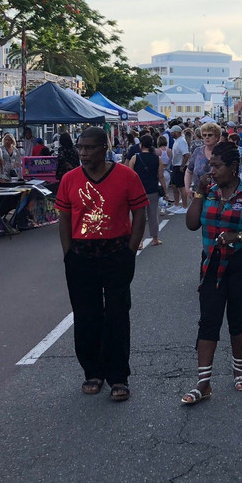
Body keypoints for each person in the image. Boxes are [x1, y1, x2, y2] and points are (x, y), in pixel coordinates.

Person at [55, 127, 148, 402]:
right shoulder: (70, 179)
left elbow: (139, 212)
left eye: (89, 148)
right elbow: (63, 217)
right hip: (81, 255)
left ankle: (118, 375)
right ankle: (92, 371)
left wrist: (131, 250)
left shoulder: (126, 176)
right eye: (80, 147)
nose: (83, 153)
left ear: (103, 148)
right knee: (86, 315)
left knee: (118, 314)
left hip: (116, 253)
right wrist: (68, 253)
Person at [182, 142, 242, 404]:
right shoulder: (207, 191)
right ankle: (203, 383)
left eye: (217, 166)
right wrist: (198, 193)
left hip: (241, 267)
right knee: (208, 321)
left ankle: (238, 369)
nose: (212, 171)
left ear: (233, 168)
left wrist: (240, 236)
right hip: (211, 265)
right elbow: (191, 224)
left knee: (238, 318)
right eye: (211, 166)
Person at [128, 135, 164, 246]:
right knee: (153, 215)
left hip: (138, 191)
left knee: (138, 217)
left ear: (141, 145)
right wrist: (165, 191)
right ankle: (155, 238)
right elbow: (161, 176)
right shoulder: (157, 159)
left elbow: (130, 175)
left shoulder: (135, 158)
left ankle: (139, 241)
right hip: (153, 190)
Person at [186, 122, 220, 196]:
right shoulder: (197, 151)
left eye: (210, 135)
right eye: (204, 135)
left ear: (217, 137)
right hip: (198, 194)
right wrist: (187, 189)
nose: (207, 137)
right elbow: (188, 171)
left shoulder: (223, 152)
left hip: (218, 196)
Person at [169, 125, 190, 214]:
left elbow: (186, 154)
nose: (171, 134)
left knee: (181, 187)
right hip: (176, 166)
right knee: (174, 185)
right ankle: (176, 204)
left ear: (176, 132)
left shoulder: (181, 141)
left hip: (179, 166)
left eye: (172, 132)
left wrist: (182, 165)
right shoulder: (177, 141)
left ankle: (185, 206)